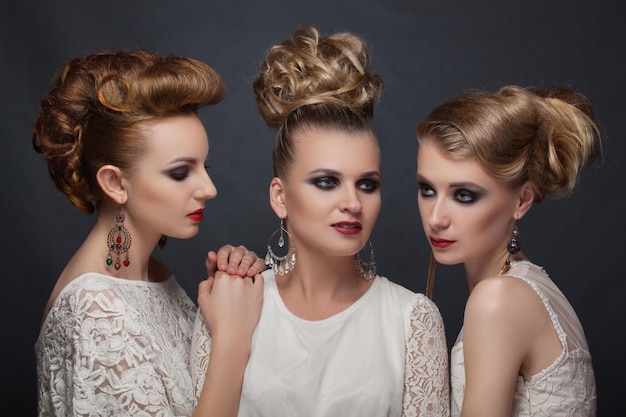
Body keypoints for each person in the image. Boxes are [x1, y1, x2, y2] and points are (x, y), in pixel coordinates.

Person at [191, 26, 450, 416]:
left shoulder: (412, 321)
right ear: (280, 197)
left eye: (367, 184)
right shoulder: (233, 302)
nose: (352, 202)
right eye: (327, 182)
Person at [33, 50, 266, 417]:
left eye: (204, 166)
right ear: (114, 182)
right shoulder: (96, 310)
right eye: (180, 172)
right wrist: (232, 336)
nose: (209, 188)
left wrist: (228, 297)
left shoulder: (155, 276)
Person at [415, 85, 601, 416]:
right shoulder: (528, 288)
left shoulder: (498, 299)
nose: (435, 217)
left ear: (522, 200)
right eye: (427, 189)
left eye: (464, 195)